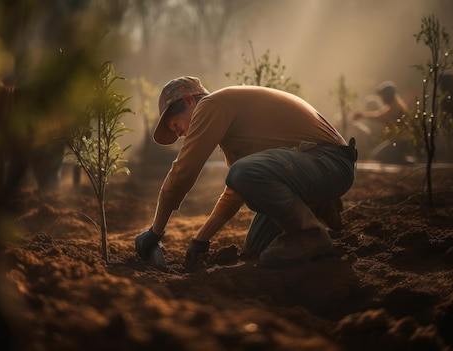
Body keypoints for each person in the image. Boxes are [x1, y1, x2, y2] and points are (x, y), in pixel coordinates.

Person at [134, 76, 357, 269]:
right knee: (257, 250)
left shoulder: (211, 105)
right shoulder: (232, 130)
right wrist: (201, 239)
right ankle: (314, 212)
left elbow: (182, 173)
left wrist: (155, 231)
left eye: (176, 125)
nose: (181, 134)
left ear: (189, 101)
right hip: (316, 167)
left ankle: (309, 233)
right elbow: (235, 192)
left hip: (330, 162)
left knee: (242, 172)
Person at [351, 81, 412, 163]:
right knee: (380, 155)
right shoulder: (394, 104)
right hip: (396, 141)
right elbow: (380, 113)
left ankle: (403, 162)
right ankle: (403, 159)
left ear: (388, 95)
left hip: (400, 142)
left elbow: (380, 116)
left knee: (378, 156)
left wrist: (363, 115)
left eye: (383, 96)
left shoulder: (396, 106)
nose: (382, 98)